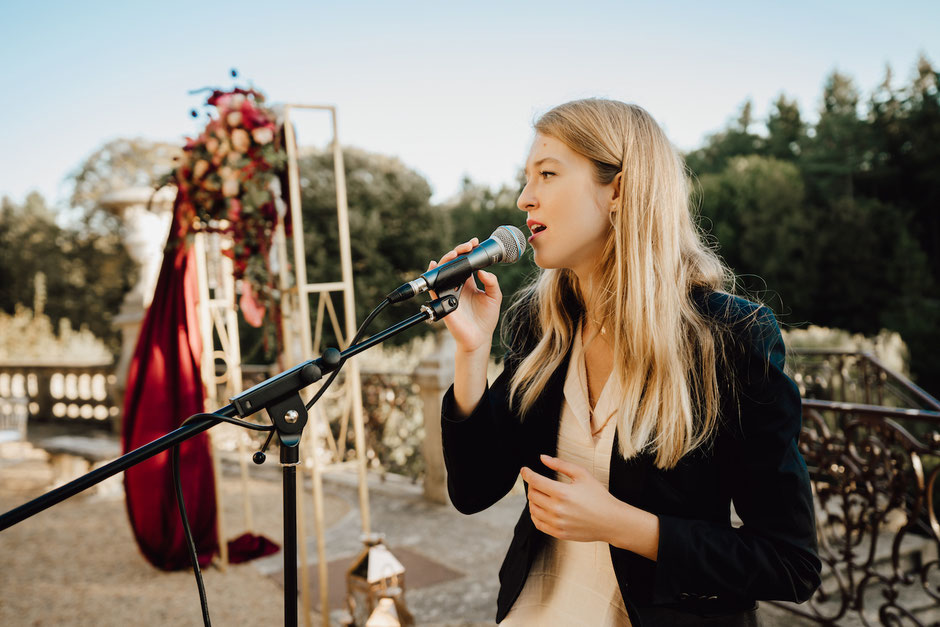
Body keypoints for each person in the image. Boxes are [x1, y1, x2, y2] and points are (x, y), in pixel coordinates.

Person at [431, 99, 821, 626]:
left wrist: (623, 525)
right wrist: (472, 352)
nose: (525, 198)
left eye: (547, 173)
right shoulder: (542, 330)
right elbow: (473, 490)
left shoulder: (731, 338)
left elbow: (790, 563)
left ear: (619, 189)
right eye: (527, 178)